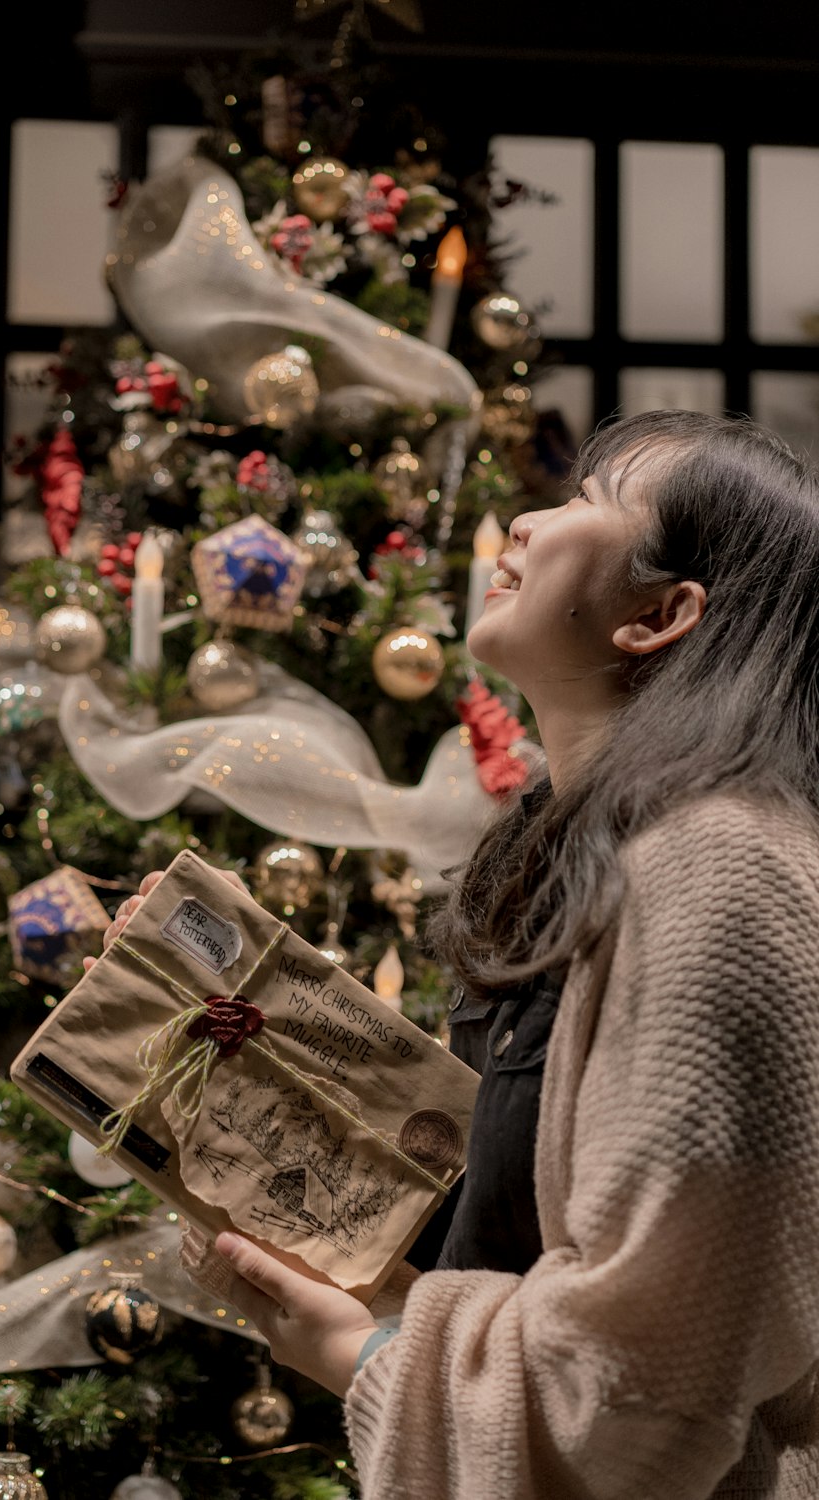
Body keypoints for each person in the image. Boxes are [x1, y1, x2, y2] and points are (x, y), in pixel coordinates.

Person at [92, 409, 819, 1498]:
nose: (521, 522)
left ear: (660, 614)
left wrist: (361, 1353)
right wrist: (270, 1037)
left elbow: (642, 1389)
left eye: (586, 501)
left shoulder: (724, 869)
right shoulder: (556, 853)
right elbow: (519, 1225)